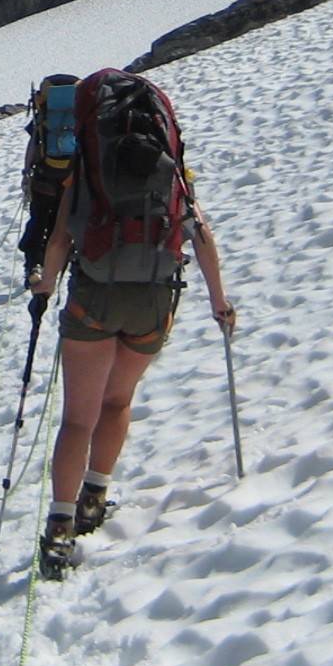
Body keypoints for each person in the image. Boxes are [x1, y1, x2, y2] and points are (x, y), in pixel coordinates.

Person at [26, 69, 234, 581]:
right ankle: (95, 499)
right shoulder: (170, 170)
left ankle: (60, 526)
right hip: (155, 298)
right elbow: (198, 230)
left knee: (79, 417)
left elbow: (60, 238)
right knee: (118, 401)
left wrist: (45, 286)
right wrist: (219, 302)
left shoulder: (89, 165)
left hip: (96, 295)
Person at [17, 73, 80, 280]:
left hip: (45, 175)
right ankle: (54, 264)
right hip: (72, 178)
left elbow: (35, 143)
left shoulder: (45, 114)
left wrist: (27, 173)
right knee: (59, 222)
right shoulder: (81, 112)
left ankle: (33, 265)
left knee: (38, 218)